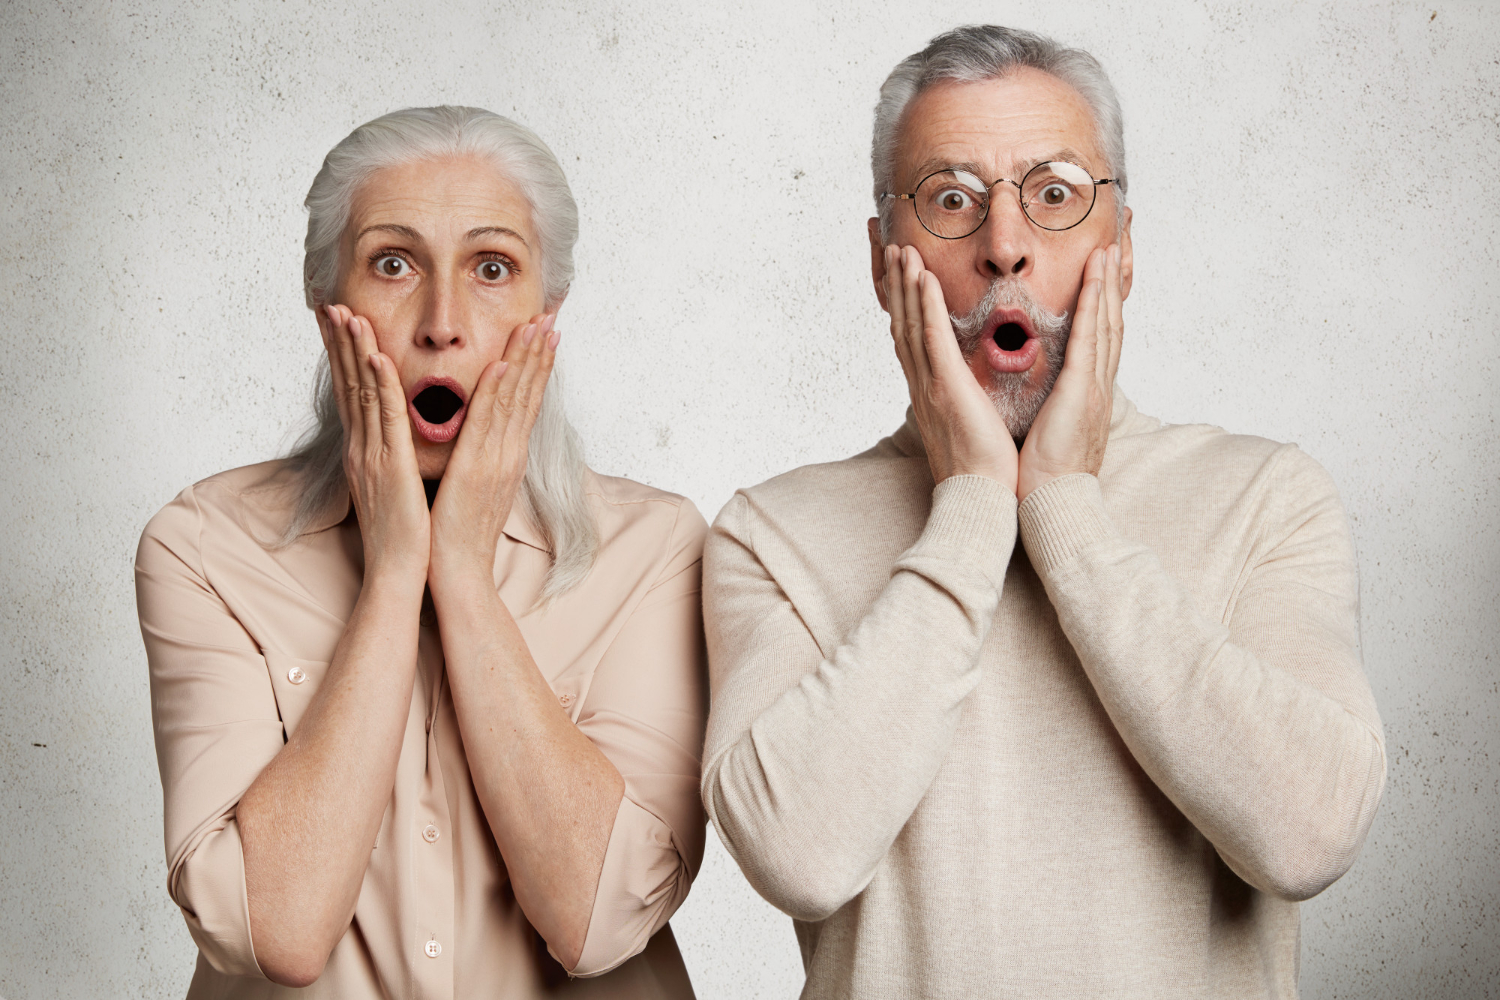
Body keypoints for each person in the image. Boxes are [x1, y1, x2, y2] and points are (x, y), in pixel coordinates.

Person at [701, 25, 1385, 1000]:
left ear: (1123, 249)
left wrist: (1066, 507)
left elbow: (1308, 836)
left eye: (1055, 195)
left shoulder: (1267, 498)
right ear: (884, 261)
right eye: (950, 200)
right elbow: (799, 857)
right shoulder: (772, 535)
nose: (1005, 247)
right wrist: (973, 503)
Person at [135, 106, 707, 998]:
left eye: (492, 268)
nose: (442, 323)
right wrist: (396, 573)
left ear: (547, 310)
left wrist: (463, 575)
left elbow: (596, 924)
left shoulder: (657, 548)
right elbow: (275, 930)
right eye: (393, 263)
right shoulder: (206, 546)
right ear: (326, 305)